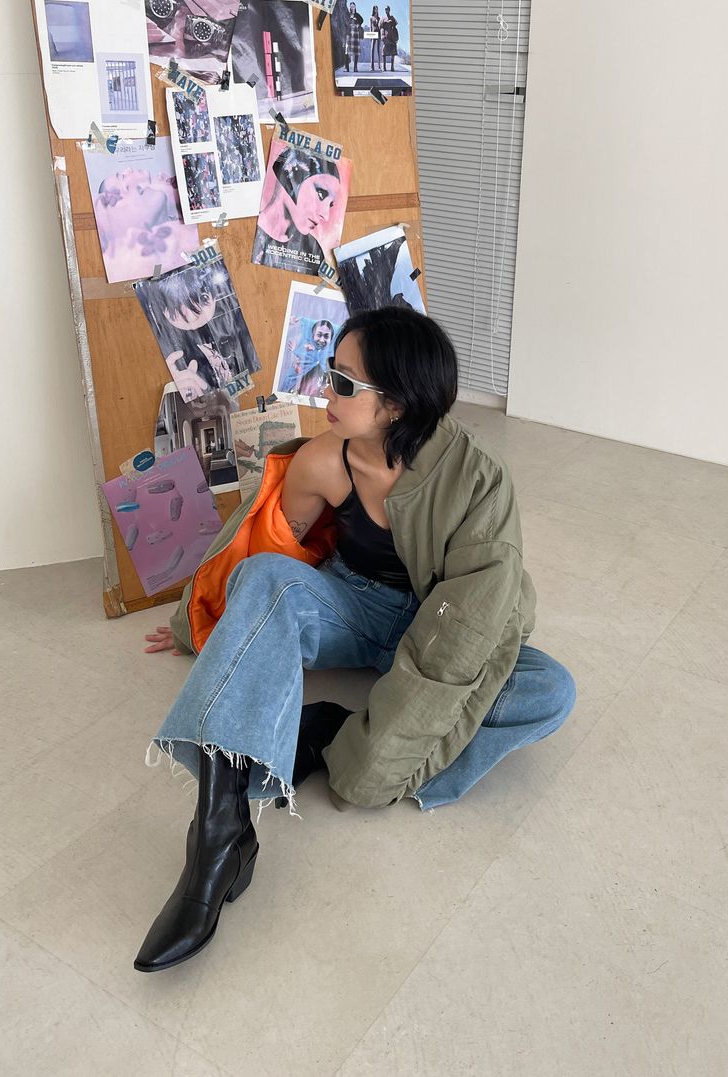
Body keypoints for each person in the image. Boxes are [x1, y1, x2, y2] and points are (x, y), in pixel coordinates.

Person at [135, 307, 577, 972]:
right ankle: (218, 837)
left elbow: (466, 632)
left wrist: (373, 759)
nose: (325, 392)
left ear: (397, 402)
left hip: (435, 619)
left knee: (551, 690)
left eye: (344, 382)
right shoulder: (322, 461)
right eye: (328, 372)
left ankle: (329, 732)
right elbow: (262, 549)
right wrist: (192, 622)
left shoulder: (478, 479)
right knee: (266, 580)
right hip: (352, 607)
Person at [136, 261, 259, 400]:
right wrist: (176, 386)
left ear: (215, 294)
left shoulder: (236, 325)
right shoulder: (172, 349)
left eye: (203, 299)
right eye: (174, 310)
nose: (190, 317)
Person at [251, 147, 342, 273]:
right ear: (291, 177)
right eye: (321, 194)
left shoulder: (314, 252)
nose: (325, 216)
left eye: (330, 204)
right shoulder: (247, 233)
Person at [344, 1, 364, 73]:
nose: (352, 7)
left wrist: (358, 24)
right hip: (348, 33)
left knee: (356, 51)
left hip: (355, 33)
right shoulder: (347, 14)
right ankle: (346, 67)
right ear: (350, 7)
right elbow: (345, 22)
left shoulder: (357, 15)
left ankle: (355, 67)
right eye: (351, 6)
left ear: (355, 7)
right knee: (347, 50)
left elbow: (362, 20)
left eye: (353, 6)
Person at [380, 5, 399, 72]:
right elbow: (381, 27)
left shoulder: (392, 17)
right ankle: (384, 67)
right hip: (386, 37)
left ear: (389, 10)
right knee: (384, 53)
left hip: (392, 37)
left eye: (387, 9)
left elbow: (395, 25)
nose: (386, 10)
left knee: (393, 53)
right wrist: (382, 35)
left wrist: (396, 37)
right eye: (385, 9)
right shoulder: (383, 18)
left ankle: (392, 67)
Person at [368, 4, 381, 69]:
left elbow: (380, 27)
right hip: (373, 33)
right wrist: (370, 35)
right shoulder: (371, 17)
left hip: (378, 33)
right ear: (373, 10)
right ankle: (372, 66)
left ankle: (379, 66)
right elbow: (370, 27)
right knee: (372, 50)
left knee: (378, 50)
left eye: (377, 9)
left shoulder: (379, 18)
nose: (376, 10)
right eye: (375, 9)